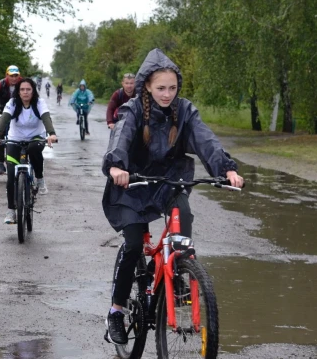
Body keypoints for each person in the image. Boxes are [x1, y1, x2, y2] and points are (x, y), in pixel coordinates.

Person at [101, 48, 244, 345]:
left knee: (184, 218)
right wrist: (116, 165)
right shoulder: (133, 110)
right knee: (131, 245)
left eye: (172, 88)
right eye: (160, 88)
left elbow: (206, 140)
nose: (167, 94)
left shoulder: (185, 111)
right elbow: (121, 136)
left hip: (169, 181)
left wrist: (227, 169)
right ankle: (116, 311)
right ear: (147, 87)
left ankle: (178, 266)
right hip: (133, 183)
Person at [0, 78, 58, 224]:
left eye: (28, 89)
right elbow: (4, 119)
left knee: (34, 148)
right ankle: (11, 211)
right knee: (11, 176)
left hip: (36, 138)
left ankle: (39, 178)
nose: (25, 92)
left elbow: (46, 118)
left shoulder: (39, 103)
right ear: (18, 91)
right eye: (22, 89)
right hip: (14, 140)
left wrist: (51, 133)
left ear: (33, 90)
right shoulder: (12, 103)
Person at [0, 65, 23, 175]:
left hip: (18, 112)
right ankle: (0, 163)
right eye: (11, 76)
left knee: (21, 136)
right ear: (6, 76)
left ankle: (22, 158)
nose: (14, 78)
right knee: (0, 136)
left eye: (16, 76)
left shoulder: (23, 83)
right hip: (3, 112)